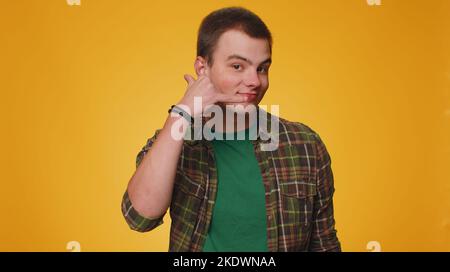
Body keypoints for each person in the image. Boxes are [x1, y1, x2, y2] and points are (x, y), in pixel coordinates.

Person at [121, 6, 341, 252]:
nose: (255, 81)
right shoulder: (176, 141)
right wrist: (181, 113)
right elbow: (139, 217)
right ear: (203, 69)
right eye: (238, 66)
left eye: (262, 68)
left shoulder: (305, 145)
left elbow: (325, 244)